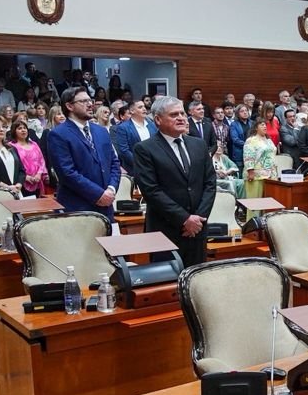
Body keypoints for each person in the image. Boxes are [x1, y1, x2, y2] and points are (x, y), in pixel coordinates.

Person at [133, 97, 217, 266]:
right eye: (173, 115)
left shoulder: (199, 145)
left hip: (197, 230)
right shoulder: (145, 149)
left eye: (182, 114)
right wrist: (185, 219)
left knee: (197, 278)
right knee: (167, 281)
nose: (181, 118)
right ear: (158, 119)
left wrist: (198, 219)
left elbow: (210, 183)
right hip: (166, 230)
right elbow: (151, 191)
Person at [45, 87, 121, 217]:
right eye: (83, 101)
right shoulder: (58, 134)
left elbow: (114, 163)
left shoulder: (101, 131)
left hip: (106, 205)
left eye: (90, 100)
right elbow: (67, 173)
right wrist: (98, 194)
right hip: (77, 207)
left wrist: (111, 189)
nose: (90, 104)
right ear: (69, 106)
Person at [111, 99, 152, 181]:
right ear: (132, 111)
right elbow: (124, 150)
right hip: (135, 169)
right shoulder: (123, 127)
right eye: (140, 107)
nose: (144, 109)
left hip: (153, 167)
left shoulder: (152, 125)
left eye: (144, 106)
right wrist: (141, 164)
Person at [8, 118, 48, 196]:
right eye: (20, 128)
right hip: (20, 183)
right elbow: (12, 166)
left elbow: (41, 161)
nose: (23, 130)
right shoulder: (10, 146)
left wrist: (39, 174)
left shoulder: (34, 144)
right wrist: (25, 177)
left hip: (37, 181)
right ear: (14, 131)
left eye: (24, 128)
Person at [242, 115, 277, 198]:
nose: (265, 126)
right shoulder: (251, 140)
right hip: (256, 175)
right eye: (262, 125)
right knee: (255, 202)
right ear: (256, 128)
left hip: (270, 175)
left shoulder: (268, 140)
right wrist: (250, 171)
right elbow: (248, 156)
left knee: (269, 201)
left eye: (265, 124)